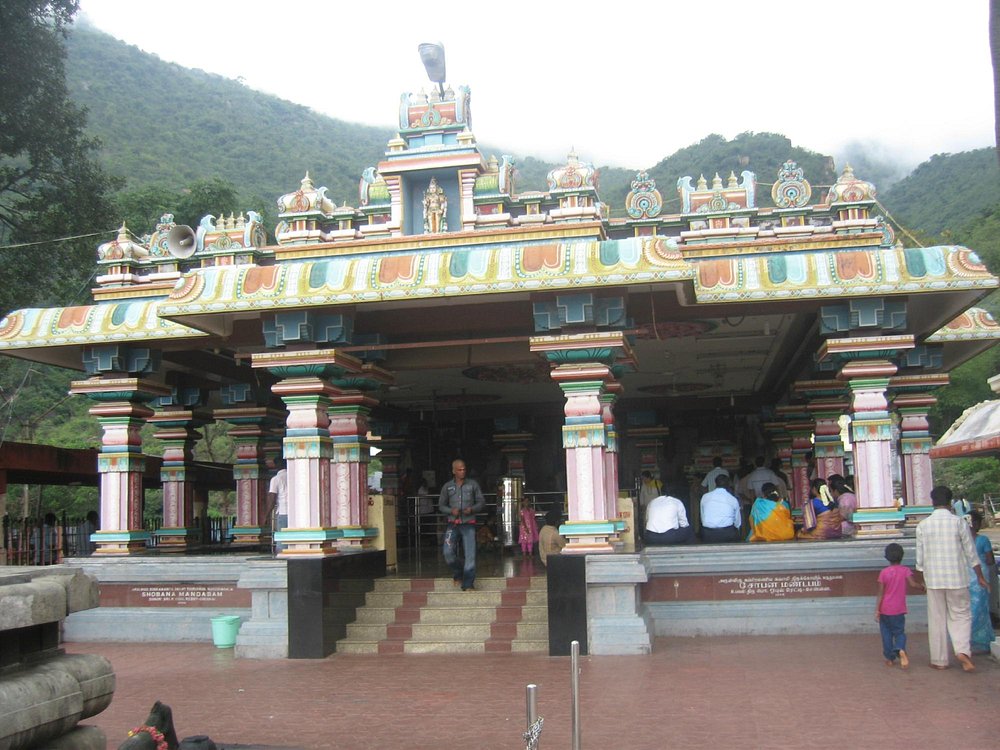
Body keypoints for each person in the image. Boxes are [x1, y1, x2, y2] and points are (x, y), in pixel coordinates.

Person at [915, 485, 988, 672]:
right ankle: (962, 650)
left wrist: (922, 579)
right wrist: (980, 576)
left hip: (934, 579)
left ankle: (939, 660)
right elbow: (971, 553)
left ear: (933, 502)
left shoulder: (923, 525)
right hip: (957, 578)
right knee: (961, 615)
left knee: (937, 618)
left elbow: (920, 559)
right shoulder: (959, 523)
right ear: (949, 502)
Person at [875, 542, 924, 668]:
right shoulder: (905, 571)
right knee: (899, 632)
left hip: (885, 609)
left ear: (886, 557)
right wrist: (923, 587)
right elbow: (913, 585)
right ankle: (901, 648)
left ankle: (890, 658)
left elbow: (880, 593)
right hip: (899, 608)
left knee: (886, 634)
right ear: (902, 556)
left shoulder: (884, 573)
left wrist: (877, 610)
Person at [439, 459, 485, 590]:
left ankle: (468, 584)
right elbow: (441, 505)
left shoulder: (473, 485)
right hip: (452, 524)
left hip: (468, 523)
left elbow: (481, 502)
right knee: (447, 553)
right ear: (453, 471)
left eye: (464, 469)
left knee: (470, 554)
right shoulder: (447, 486)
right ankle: (459, 572)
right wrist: (450, 511)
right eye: (459, 469)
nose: (462, 471)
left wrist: (472, 509)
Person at [968, 511, 996, 654]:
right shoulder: (983, 539)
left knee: (966, 609)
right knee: (981, 608)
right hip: (981, 575)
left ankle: (965, 639)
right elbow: (990, 560)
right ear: (977, 524)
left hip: (966, 576)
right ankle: (981, 640)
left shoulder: (962, 540)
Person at [699, 475, 742, 543]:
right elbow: (737, 522)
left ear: (715, 484)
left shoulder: (705, 497)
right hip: (727, 533)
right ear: (728, 484)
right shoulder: (732, 499)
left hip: (708, 534)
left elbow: (702, 517)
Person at [266, 457, 288, 553]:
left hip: (283, 511)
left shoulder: (276, 479)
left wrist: (266, 514)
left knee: (282, 538)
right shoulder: (294, 476)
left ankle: (281, 558)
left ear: (275, 465)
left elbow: (272, 498)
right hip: (297, 513)